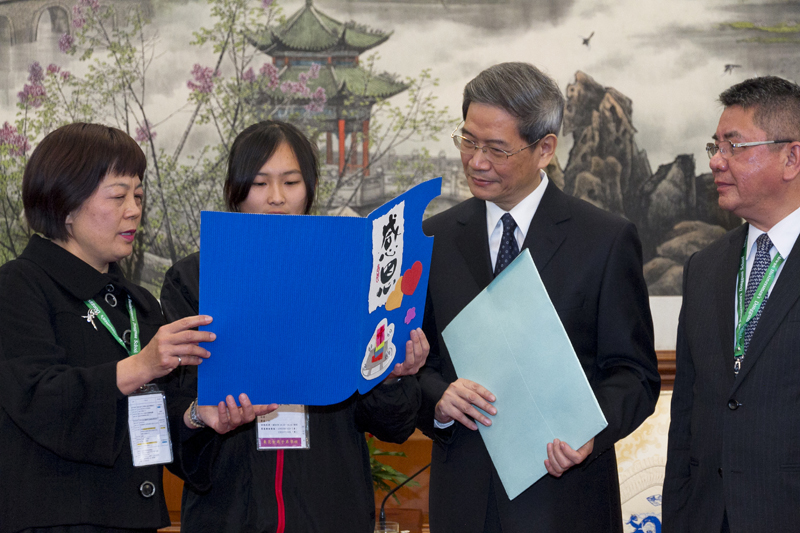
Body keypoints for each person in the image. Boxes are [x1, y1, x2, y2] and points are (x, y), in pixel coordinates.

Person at [416, 62, 661, 532]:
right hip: (464, 499)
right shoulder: (435, 239)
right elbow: (418, 366)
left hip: (566, 500)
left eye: (496, 149)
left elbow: (634, 375)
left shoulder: (604, 239)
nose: (476, 161)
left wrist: (590, 431)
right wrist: (439, 399)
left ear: (545, 148)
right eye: (467, 141)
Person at [160, 120, 428, 533]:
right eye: (259, 183)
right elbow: (177, 419)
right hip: (230, 512)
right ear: (234, 190)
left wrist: (390, 376)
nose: (277, 197)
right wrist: (202, 414)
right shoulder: (193, 279)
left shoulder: (350, 275)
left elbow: (393, 426)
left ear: (310, 188)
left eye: (291, 182)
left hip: (330, 508)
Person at [0, 123, 269, 533]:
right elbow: (38, 397)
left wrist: (199, 416)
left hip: (134, 520)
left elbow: (156, 419)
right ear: (65, 204)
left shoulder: (138, 303)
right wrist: (140, 366)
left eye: (138, 196)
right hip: (53, 521)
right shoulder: (18, 285)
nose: (133, 210)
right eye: (118, 195)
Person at [663, 76, 800, 533]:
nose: (716, 161)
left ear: (791, 158)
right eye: (715, 146)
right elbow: (686, 412)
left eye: (734, 146)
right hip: (706, 517)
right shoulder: (704, 267)